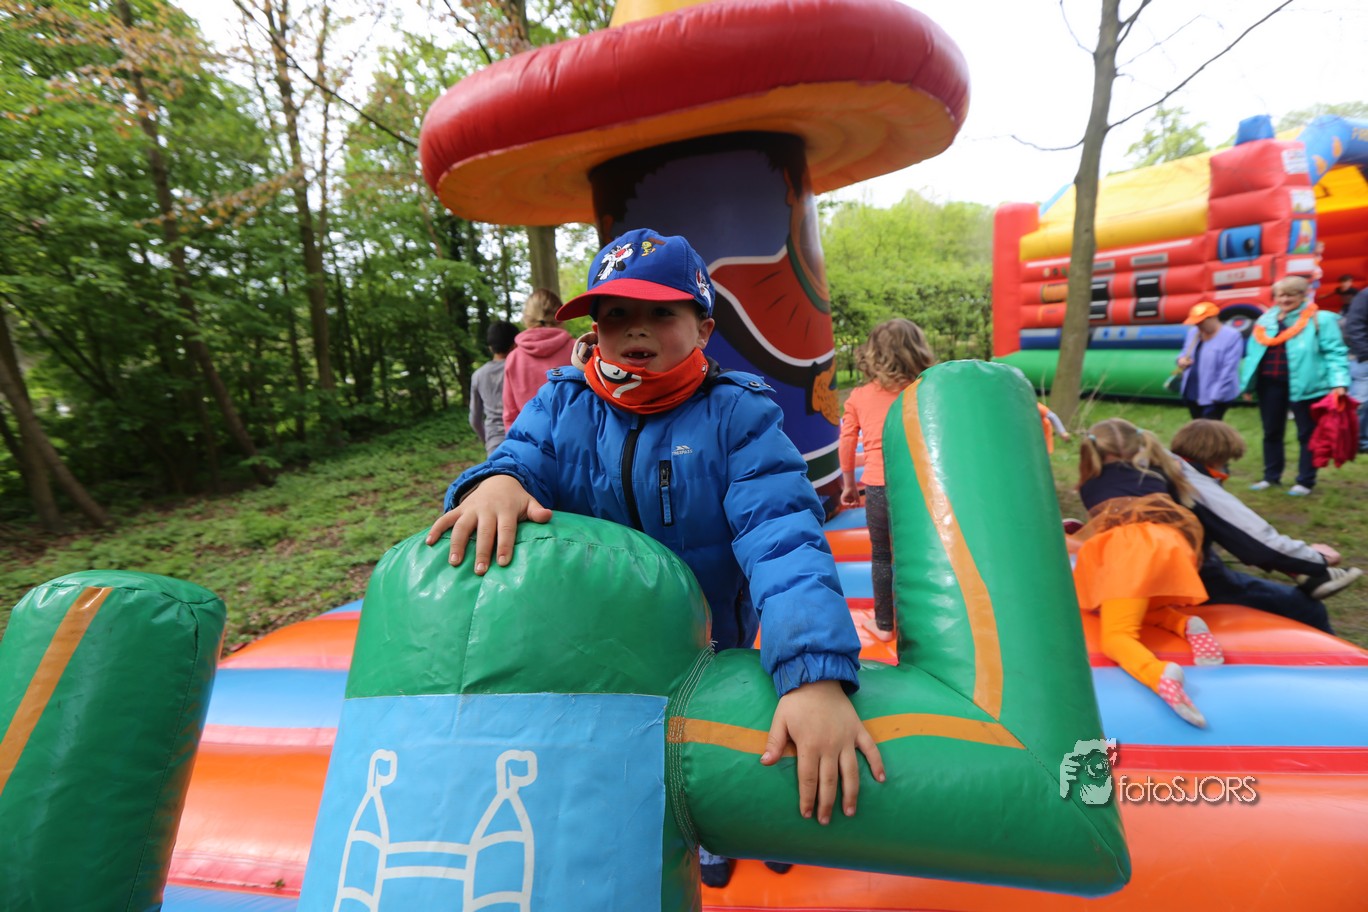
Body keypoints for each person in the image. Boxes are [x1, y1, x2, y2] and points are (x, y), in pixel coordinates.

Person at [426, 229, 884, 888]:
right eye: (616, 314)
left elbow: (781, 534)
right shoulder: (564, 403)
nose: (635, 329)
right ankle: (698, 835)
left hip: (714, 634)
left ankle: (762, 822)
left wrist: (813, 671)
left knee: (742, 731)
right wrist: (497, 481)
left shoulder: (737, 415)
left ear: (703, 329)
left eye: (660, 312)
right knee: (644, 754)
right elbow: (523, 456)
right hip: (603, 640)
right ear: (595, 328)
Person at [1071, 418, 1219, 727]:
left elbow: (1107, 527)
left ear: (1092, 453)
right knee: (1131, 605)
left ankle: (1159, 675)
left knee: (1116, 635)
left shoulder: (1091, 483)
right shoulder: (1155, 475)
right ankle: (1184, 624)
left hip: (1131, 551)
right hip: (1172, 546)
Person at [1168, 420, 1362, 634]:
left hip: (1171, 572)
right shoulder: (1194, 483)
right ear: (1217, 457)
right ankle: (1334, 656)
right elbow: (1257, 541)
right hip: (1192, 582)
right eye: (1226, 461)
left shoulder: (1166, 467)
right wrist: (1317, 559)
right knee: (1306, 608)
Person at [838, 319, 936, 643]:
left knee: (882, 556)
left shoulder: (859, 396)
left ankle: (884, 625)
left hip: (879, 487)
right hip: (920, 487)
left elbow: (847, 443)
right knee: (923, 553)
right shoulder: (925, 390)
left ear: (872, 354)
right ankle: (929, 620)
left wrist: (849, 485)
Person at [1240, 275, 1350, 496]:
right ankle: (1271, 477)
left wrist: (1339, 382)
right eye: (1281, 295)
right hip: (1270, 385)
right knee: (1271, 431)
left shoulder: (1320, 319)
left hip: (1307, 385)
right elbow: (1253, 355)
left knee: (1307, 433)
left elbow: (1335, 352)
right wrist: (1248, 385)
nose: (1285, 299)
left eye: (1291, 295)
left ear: (1303, 295)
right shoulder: (1265, 321)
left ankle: (1305, 481)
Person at [501, 288, 575, 430]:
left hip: (531, 439)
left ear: (526, 318)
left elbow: (510, 415)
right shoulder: (578, 349)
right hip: (575, 438)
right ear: (561, 316)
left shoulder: (514, 358)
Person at [1175, 301, 1243, 420]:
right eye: (1196, 323)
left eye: (1201, 322)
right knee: (1197, 425)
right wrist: (1181, 360)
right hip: (1192, 390)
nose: (1198, 325)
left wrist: (1216, 396)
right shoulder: (1193, 332)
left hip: (1215, 395)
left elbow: (1229, 369)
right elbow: (1185, 352)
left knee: (1210, 427)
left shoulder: (1231, 336)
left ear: (1213, 318)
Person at [468, 321, 519, 455]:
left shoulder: (478, 375)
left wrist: (487, 441)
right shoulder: (520, 369)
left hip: (495, 444)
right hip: (523, 439)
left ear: (490, 347)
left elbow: (474, 420)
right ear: (515, 345)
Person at [1342, 284, 1368, 454]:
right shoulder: (1365, 296)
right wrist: (1365, 353)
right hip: (1364, 361)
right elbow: (1354, 326)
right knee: (1361, 403)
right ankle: (1357, 442)